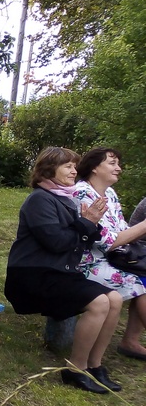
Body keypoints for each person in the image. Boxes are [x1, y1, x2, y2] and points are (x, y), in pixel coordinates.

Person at [5, 146, 123, 394]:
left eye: (74, 165)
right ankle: (75, 369)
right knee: (99, 302)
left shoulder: (65, 198)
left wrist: (88, 224)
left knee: (114, 298)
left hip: (58, 272)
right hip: (32, 276)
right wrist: (86, 223)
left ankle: (94, 365)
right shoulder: (39, 199)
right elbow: (57, 242)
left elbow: (82, 242)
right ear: (49, 169)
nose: (74, 170)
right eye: (68, 166)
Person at [73, 147, 146, 361]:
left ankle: (112, 352)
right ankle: (100, 357)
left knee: (142, 280)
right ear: (95, 167)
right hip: (86, 263)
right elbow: (107, 242)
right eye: (112, 163)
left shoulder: (110, 194)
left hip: (111, 259)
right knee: (140, 283)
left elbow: (121, 231)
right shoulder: (82, 193)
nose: (119, 169)